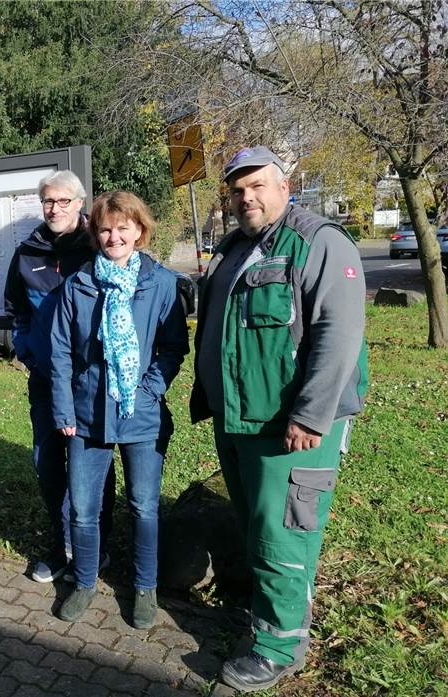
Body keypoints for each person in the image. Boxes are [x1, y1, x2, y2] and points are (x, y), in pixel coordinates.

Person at [191, 146, 368, 692]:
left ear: (284, 186)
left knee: (281, 536)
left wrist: (311, 415)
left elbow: (339, 336)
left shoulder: (318, 241)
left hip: (292, 429)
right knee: (257, 529)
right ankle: (276, 616)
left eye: (258, 186)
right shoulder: (236, 246)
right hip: (241, 421)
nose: (247, 197)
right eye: (238, 190)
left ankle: (279, 646)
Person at [50, 191, 189, 625]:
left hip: (141, 414)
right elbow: (59, 353)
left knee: (145, 505)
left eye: (122, 227)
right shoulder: (78, 285)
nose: (113, 236)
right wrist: (64, 411)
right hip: (87, 415)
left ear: (139, 232)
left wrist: (148, 389)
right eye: (105, 228)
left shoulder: (161, 283)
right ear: (95, 232)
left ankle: (144, 588)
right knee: (83, 509)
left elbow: (172, 348)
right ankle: (85, 581)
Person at [4, 170, 116, 584]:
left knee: (91, 470)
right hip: (47, 381)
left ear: (80, 204)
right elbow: (15, 308)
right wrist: (28, 350)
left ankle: (97, 547)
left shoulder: (98, 248)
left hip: (90, 384)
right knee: (48, 467)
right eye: (48, 201)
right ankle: (61, 543)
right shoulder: (27, 253)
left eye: (63, 201)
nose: (54, 209)